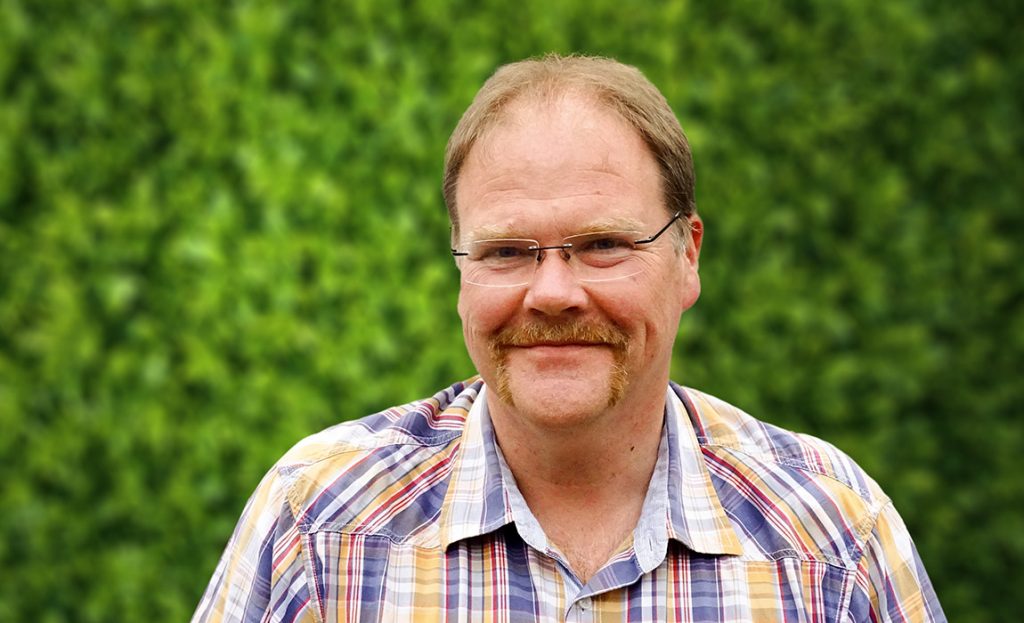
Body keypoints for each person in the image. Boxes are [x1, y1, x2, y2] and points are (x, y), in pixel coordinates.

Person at [192, 54, 945, 622]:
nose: (552, 292)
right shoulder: (321, 526)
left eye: (603, 244)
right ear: (460, 268)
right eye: (506, 251)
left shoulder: (831, 536)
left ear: (688, 256)